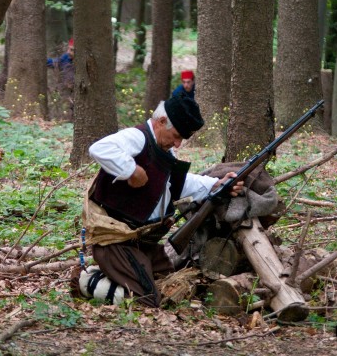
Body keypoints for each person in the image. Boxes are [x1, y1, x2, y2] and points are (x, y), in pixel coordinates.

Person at [79, 96, 244, 307]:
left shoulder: (165, 150)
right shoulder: (137, 137)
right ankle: (88, 281)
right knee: (147, 298)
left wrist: (215, 184)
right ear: (161, 121)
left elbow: (175, 185)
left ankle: (116, 275)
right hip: (115, 244)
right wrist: (131, 170)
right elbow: (99, 149)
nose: (177, 143)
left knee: (171, 280)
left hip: (142, 242)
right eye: (176, 136)